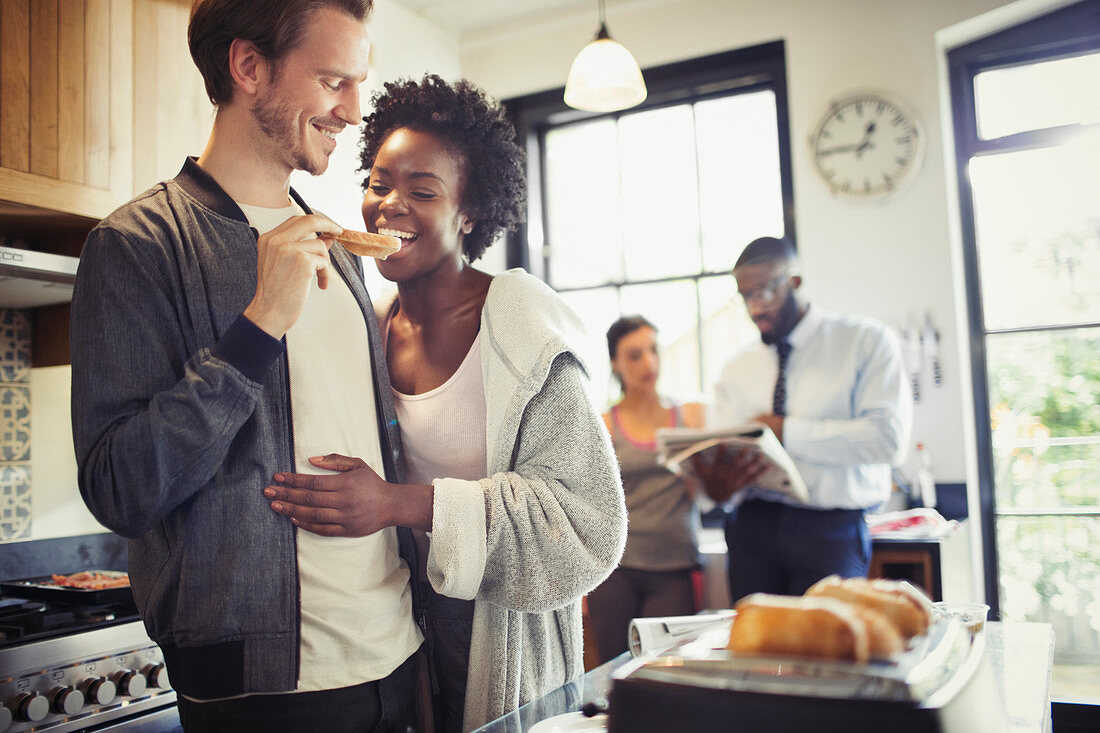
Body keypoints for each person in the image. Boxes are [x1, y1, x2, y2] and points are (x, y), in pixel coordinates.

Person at [69, 2, 425, 731]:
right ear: (249, 67)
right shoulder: (138, 245)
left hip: (399, 661)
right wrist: (259, 323)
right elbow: (120, 487)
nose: (354, 111)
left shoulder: (340, 249)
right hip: (262, 698)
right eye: (333, 80)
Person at [262, 74, 627, 732]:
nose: (388, 205)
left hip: (504, 635)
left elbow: (588, 523)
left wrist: (397, 502)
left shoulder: (519, 326)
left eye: (422, 191)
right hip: (400, 637)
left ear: (469, 211)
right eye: (377, 183)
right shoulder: (369, 326)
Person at [698, 236, 912, 603]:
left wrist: (785, 432)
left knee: (827, 651)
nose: (754, 309)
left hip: (829, 530)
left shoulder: (865, 341)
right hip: (751, 529)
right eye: (744, 296)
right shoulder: (736, 367)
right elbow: (724, 454)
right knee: (756, 652)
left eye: (764, 293)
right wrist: (718, 489)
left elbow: (887, 440)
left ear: (794, 282)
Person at [586, 316, 706, 664]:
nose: (649, 363)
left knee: (668, 673)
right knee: (614, 672)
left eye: (653, 350)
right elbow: (592, 502)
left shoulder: (691, 417)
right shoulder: (603, 424)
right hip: (616, 570)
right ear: (616, 363)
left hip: (674, 565)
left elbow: (705, 491)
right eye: (635, 355)